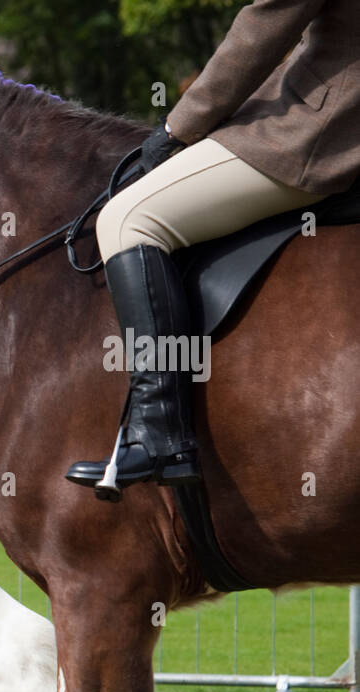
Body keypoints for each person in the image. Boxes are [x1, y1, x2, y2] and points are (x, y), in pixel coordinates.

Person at [66, 0, 360, 500]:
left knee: (128, 219)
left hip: (329, 131)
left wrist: (175, 128)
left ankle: (157, 434)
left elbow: (263, 27)